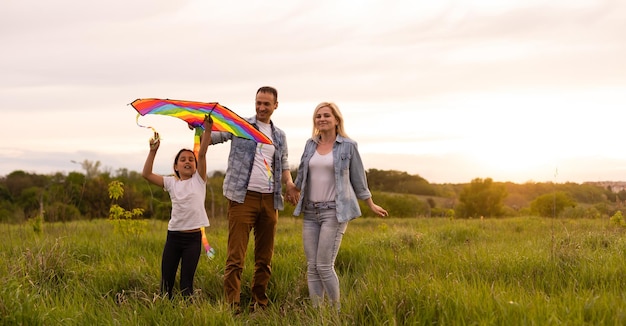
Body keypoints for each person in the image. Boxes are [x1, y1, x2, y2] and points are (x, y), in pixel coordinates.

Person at [209, 86, 299, 313]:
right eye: (258, 102)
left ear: (275, 106)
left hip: (270, 200)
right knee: (235, 257)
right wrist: (202, 126)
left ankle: (259, 302)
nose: (261, 107)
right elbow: (214, 137)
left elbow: (284, 165)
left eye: (266, 104)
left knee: (264, 258)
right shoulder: (241, 125)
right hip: (242, 198)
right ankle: (233, 306)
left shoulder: (279, 136)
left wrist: (289, 184)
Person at [292, 102, 388, 311]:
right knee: (312, 267)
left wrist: (370, 203)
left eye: (326, 115)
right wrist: (292, 188)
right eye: (318, 116)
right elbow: (301, 175)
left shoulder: (348, 146)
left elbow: (358, 178)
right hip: (310, 211)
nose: (322, 119)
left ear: (336, 120)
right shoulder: (310, 145)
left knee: (324, 266)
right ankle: (318, 314)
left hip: (334, 212)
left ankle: (335, 314)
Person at [142, 115, 213, 299]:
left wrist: (207, 130)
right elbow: (147, 174)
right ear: (176, 166)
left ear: (196, 166)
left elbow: (203, 153)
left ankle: (186, 314)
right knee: (166, 283)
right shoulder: (171, 183)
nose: (188, 161)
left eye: (191, 159)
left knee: (186, 284)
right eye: (183, 159)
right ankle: (166, 310)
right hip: (173, 238)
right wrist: (153, 151)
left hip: (193, 240)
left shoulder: (199, 181)